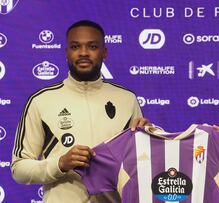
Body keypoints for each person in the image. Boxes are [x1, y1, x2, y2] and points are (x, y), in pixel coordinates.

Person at [11, 20, 150, 203]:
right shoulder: (40, 101)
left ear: (104, 52)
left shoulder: (126, 99)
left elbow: (140, 165)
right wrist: (60, 164)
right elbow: (19, 170)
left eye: (92, 46)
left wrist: (148, 139)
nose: (83, 53)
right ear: (67, 52)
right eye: (75, 46)